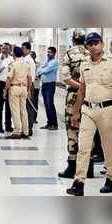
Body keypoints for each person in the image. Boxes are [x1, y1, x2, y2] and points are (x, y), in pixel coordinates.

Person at [67, 32, 112, 196]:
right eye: (90, 44)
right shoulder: (84, 65)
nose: (93, 46)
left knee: (109, 147)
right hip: (88, 110)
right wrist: (75, 113)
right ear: (86, 47)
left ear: (102, 44)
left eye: (95, 42)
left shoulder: (111, 64)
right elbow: (81, 90)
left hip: (107, 110)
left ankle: (111, 179)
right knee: (83, 147)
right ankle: (79, 183)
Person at [59, 28, 92, 179]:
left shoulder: (69, 54)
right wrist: (86, 88)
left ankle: (72, 167)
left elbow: (65, 78)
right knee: (88, 130)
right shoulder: (91, 54)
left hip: (73, 95)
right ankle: (89, 168)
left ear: (72, 40)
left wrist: (80, 86)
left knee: (72, 129)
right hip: (91, 97)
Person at [3, 47, 32, 139]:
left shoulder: (13, 64)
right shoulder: (26, 64)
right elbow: (30, 78)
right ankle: (25, 131)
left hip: (14, 88)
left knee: (15, 110)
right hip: (23, 88)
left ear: (14, 54)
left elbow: (8, 79)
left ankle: (16, 131)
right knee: (23, 110)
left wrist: (5, 90)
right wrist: (28, 89)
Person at [0, 43, 14, 133]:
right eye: (3, 48)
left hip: (9, 83)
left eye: (6, 48)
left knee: (9, 106)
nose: (4, 50)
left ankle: (8, 125)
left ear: (9, 50)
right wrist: (0, 60)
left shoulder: (12, 59)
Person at [37, 47, 59, 130]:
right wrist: (40, 71)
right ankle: (49, 123)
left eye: (50, 52)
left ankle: (55, 124)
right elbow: (39, 69)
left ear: (54, 53)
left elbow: (46, 70)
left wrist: (41, 71)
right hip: (44, 85)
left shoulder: (55, 62)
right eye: (48, 52)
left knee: (50, 104)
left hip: (50, 85)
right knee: (46, 104)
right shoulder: (45, 62)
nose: (48, 53)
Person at [21, 42, 36, 136]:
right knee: (25, 108)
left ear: (28, 50)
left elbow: (30, 77)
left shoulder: (28, 60)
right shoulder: (25, 59)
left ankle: (29, 129)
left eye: (23, 48)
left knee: (28, 108)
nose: (22, 50)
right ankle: (26, 128)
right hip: (26, 86)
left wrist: (28, 89)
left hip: (28, 86)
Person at [30, 51, 40, 123]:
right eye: (31, 55)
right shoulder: (28, 63)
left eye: (33, 55)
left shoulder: (38, 64)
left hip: (36, 86)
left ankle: (34, 118)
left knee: (35, 102)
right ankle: (29, 117)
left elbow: (39, 73)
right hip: (29, 85)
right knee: (29, 102)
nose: (32, 56)